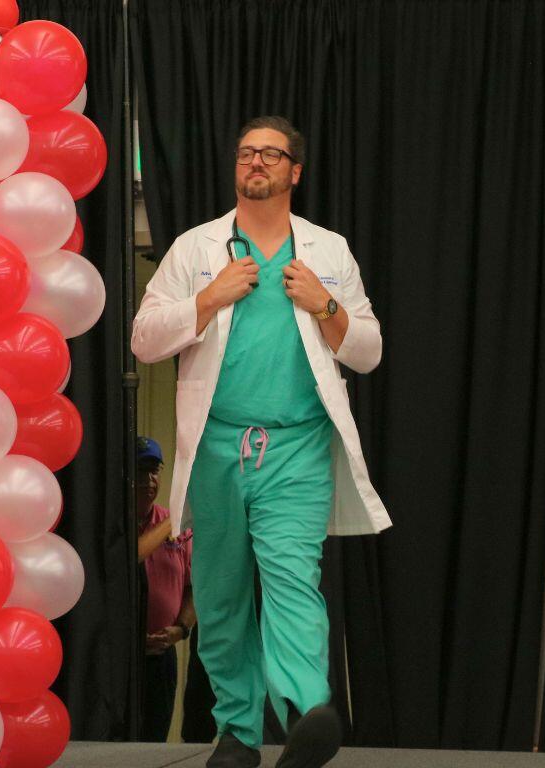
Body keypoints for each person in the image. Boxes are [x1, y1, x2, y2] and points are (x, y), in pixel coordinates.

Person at [131, 115, 391, 768]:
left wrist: (325, 308)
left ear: (294, 171)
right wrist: (209, 300)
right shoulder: (196, 249)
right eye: (247, 153)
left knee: (290, 576)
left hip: (297, 446)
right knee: (218, 592)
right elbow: (144, 337)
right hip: (216, 445)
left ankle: (308, 710)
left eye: (271, 154)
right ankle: (239, 733)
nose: (256, 163)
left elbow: (369, 350)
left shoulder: (327, 252)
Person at [136, 436, 197, 743]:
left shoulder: (177, 527)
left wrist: (181, 628)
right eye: (141, 471)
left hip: (161, 655)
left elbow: (193, 588)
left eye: (154, 472)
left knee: (154, 742)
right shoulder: (112, 520)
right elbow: (130, 556)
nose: (149, 480)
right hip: (121, 659)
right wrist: (174, 517)